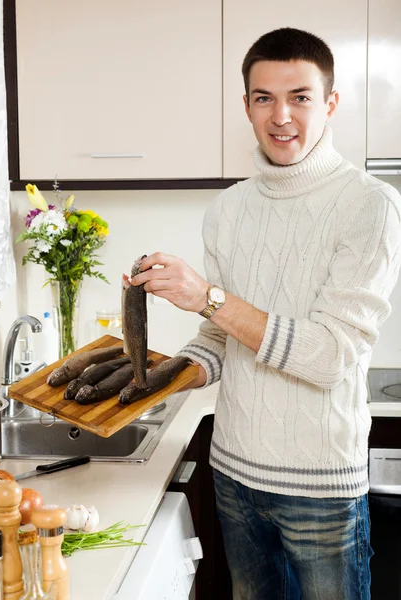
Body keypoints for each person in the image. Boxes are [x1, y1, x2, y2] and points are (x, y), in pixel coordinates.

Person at [131, 27, 401, 600]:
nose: (281, 116)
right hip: (233, 475)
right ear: (247, 105)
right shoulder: (229, 209)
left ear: (330, 104)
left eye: (300, 96)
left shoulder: (370, 205)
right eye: (263, 98)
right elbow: (220, 336)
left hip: (321, 487)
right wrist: (153, 381)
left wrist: (209, 296)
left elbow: (330, 356)